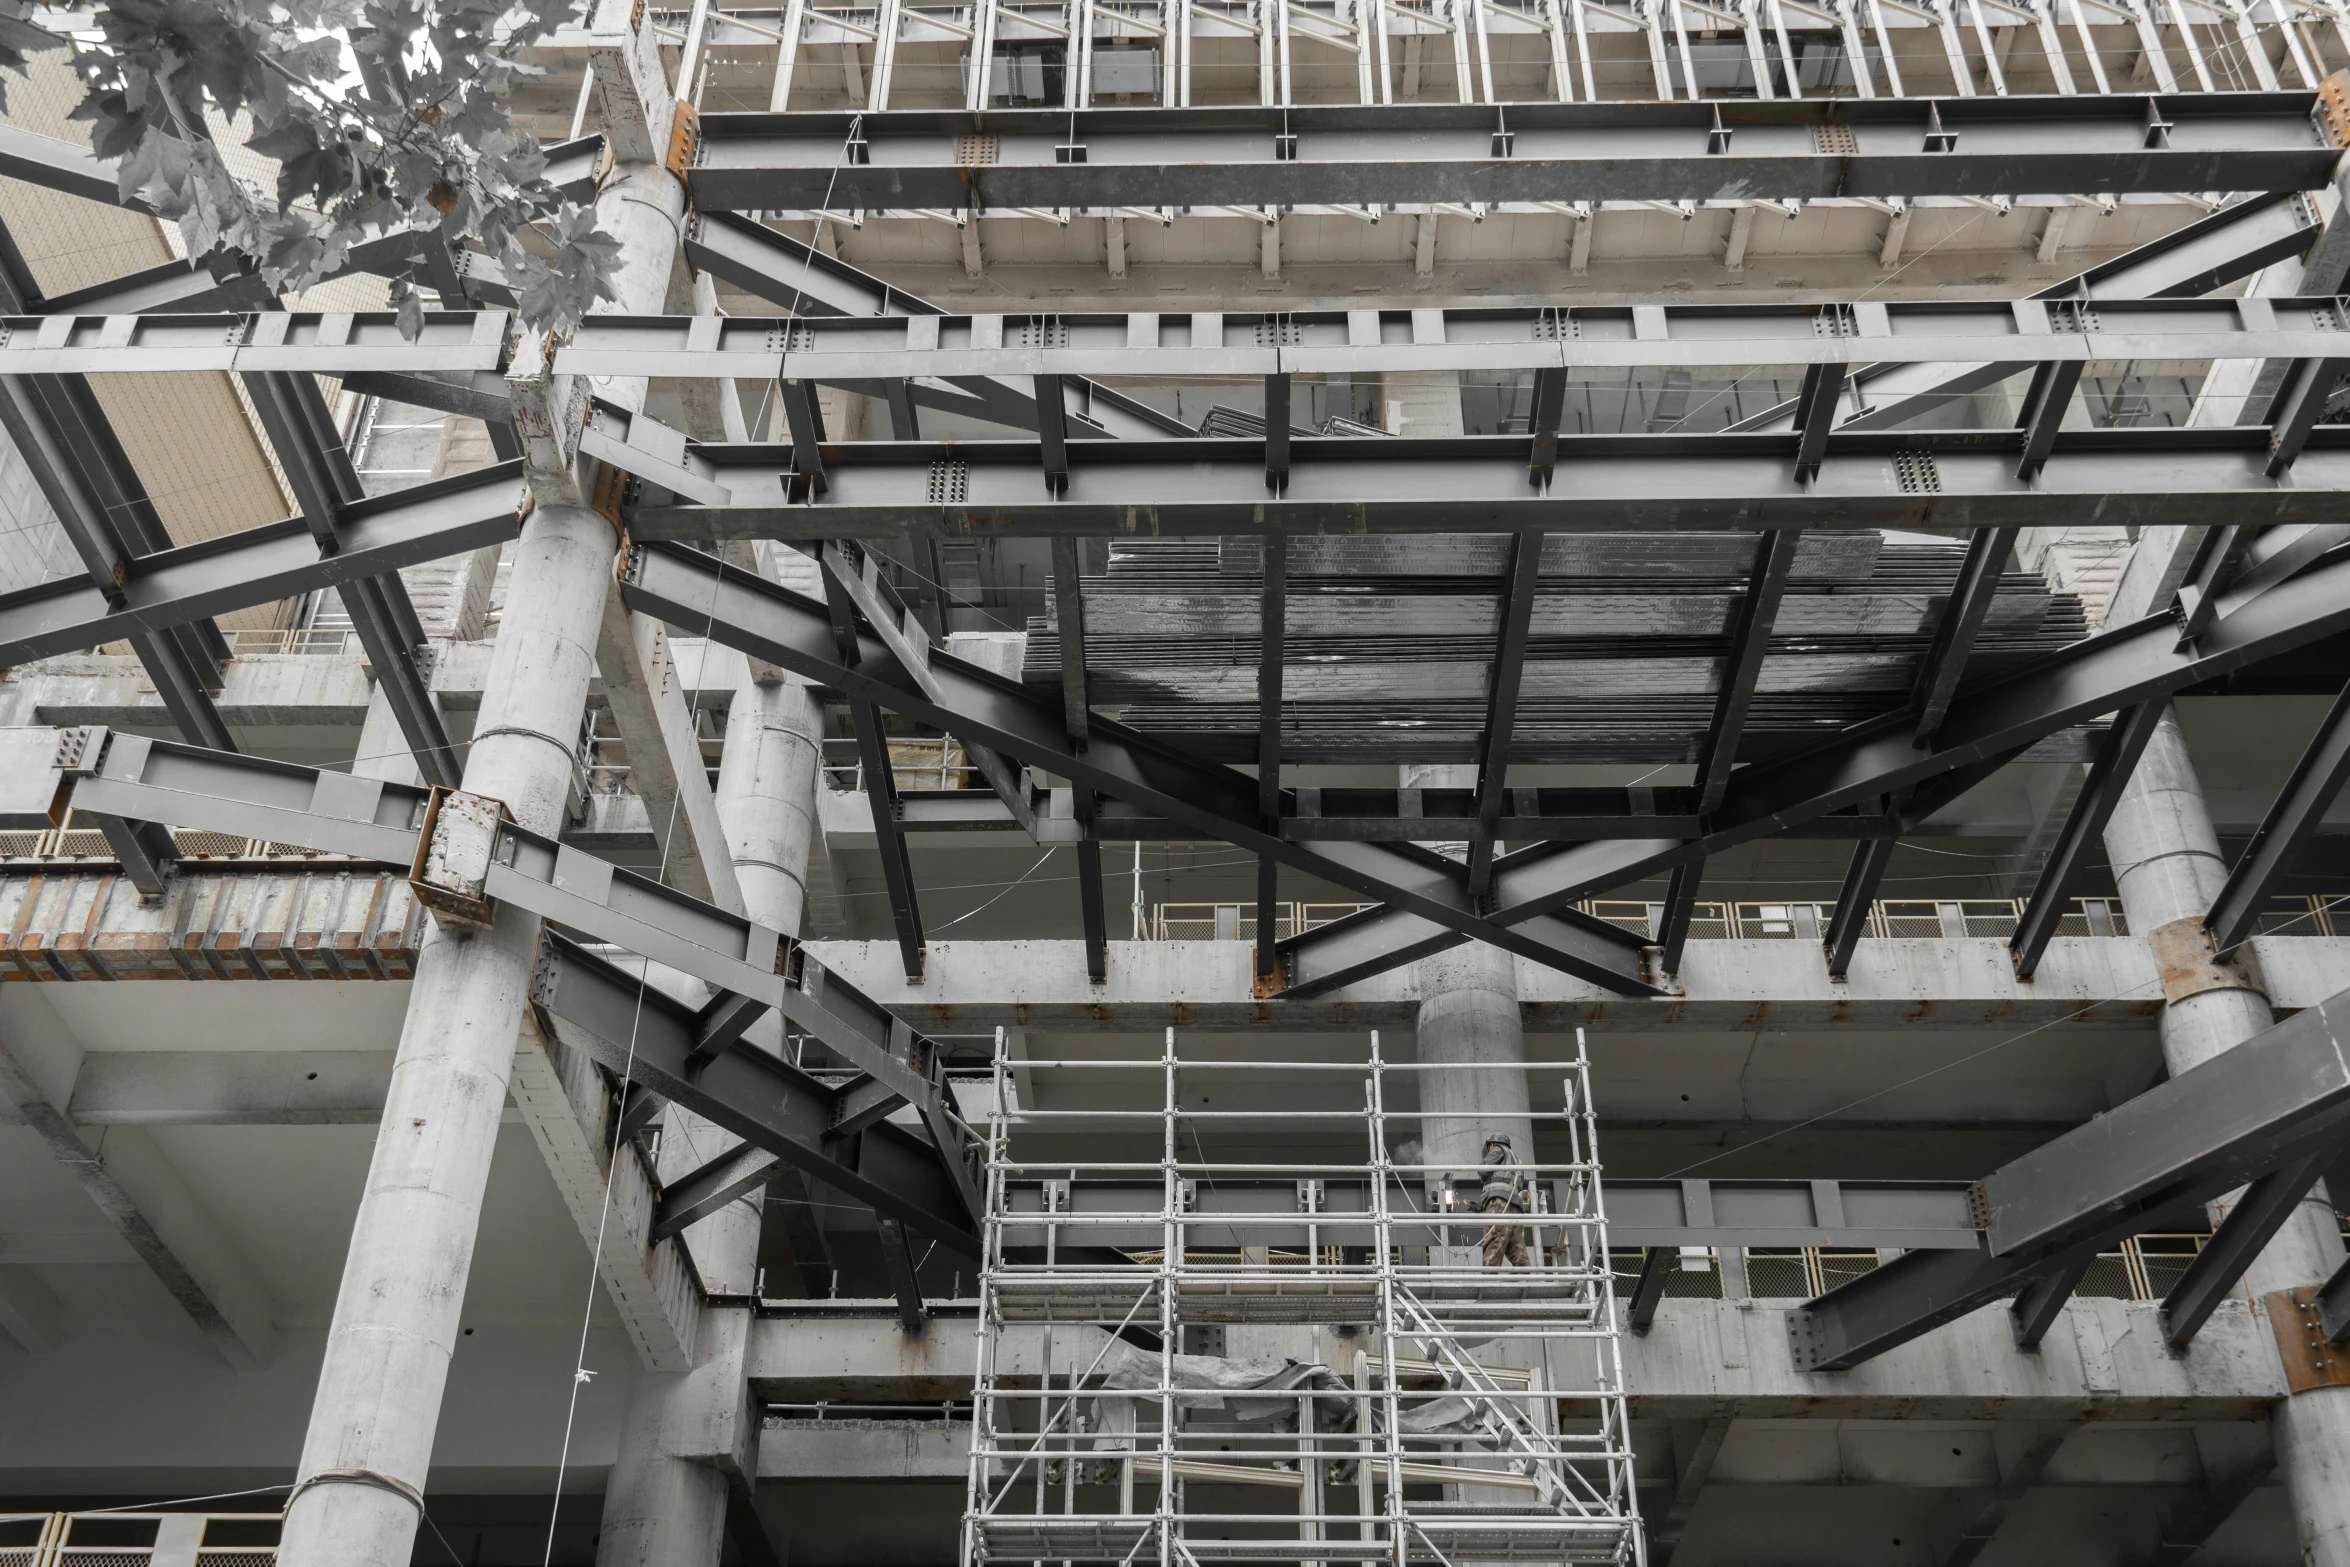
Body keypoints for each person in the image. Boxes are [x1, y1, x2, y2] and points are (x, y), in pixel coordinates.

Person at [1478, 1133, 1530, 1268]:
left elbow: (1483, 1169)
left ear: (1491, 1144)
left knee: (1494, 1238)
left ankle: (1489, 1278)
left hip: (1499, 1202)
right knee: (1516, 1245)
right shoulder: (1517, 1160)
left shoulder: (1498, 1149)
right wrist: (1481, 1204)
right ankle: (1524, 1275)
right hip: (1515, 1204)